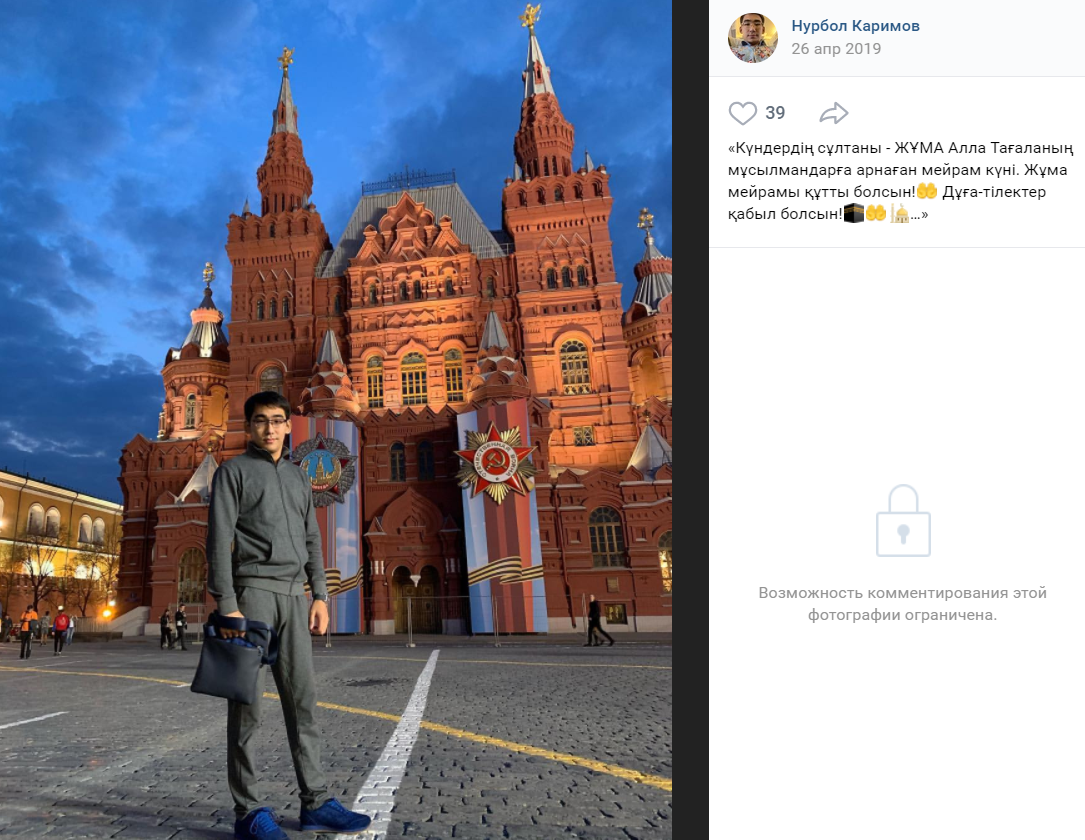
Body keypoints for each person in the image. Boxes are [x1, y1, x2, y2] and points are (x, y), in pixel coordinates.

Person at [206, 391, 371, 839]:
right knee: (248, 709)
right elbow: (219, 539)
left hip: (295, 599)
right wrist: (228, 605)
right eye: (261, 420)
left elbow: (311, 537)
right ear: (249, 426)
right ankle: (248, 811)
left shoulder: (299, 477)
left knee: (304, 703)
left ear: (288, 426)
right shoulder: (233, 472)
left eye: (278, 420)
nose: (270, 428)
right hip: (252, 597)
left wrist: (320, 594)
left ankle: (315, 802)